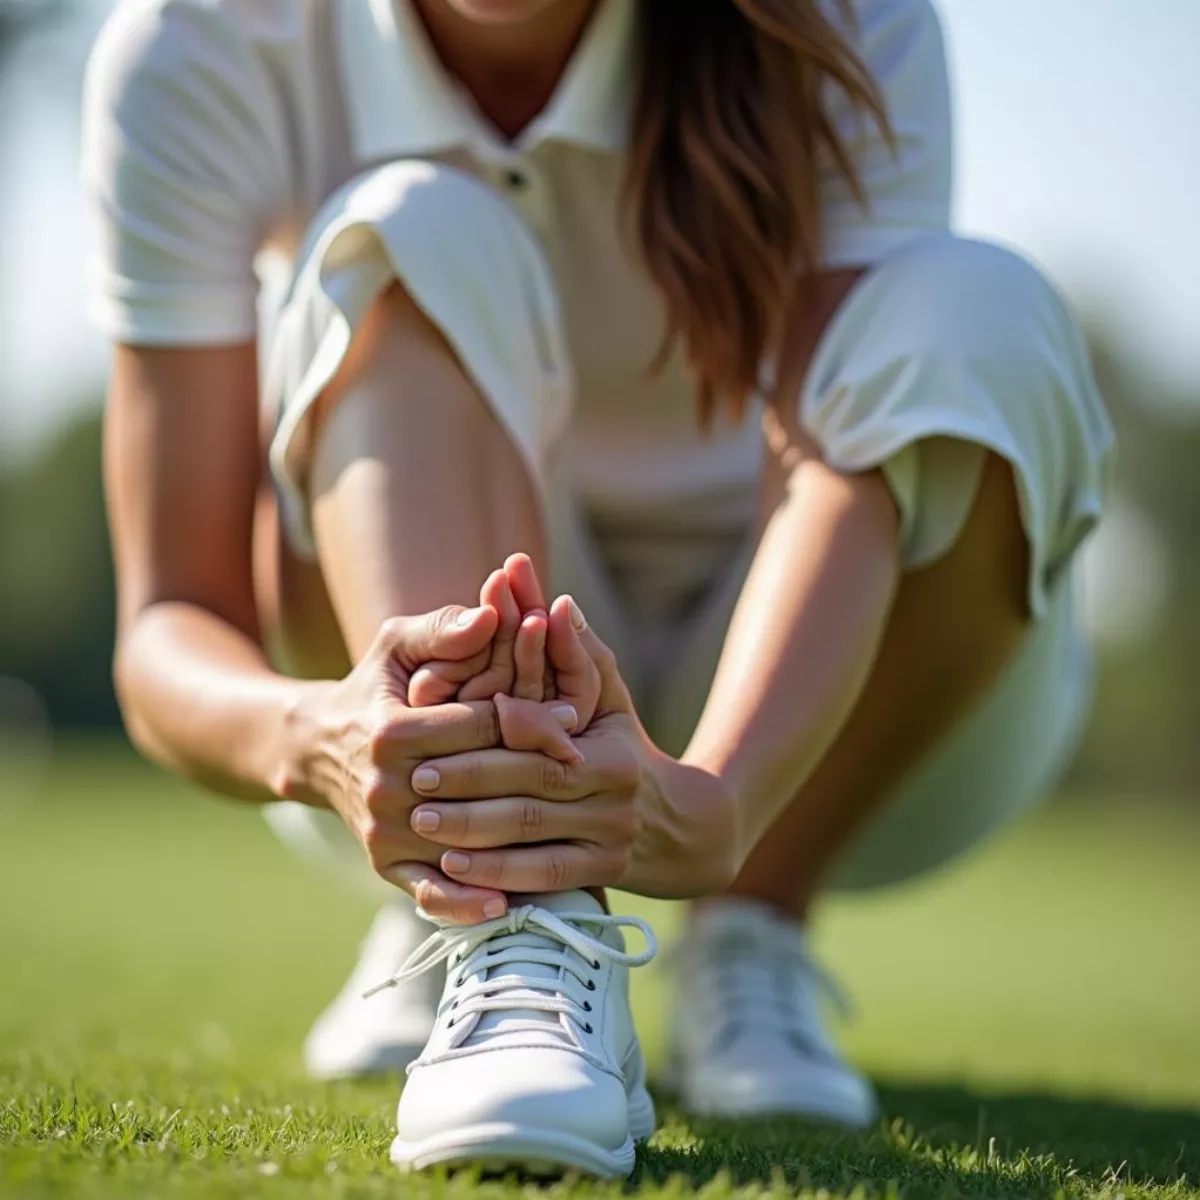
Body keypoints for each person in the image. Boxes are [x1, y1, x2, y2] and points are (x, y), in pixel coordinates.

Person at [84, 0, 1115, 1179]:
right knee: (408, 228)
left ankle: (753, 923)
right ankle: (503, 925)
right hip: (383, 698)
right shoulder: (195, 40)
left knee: (979, 308)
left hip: (824, 708)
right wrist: (322, 732)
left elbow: (853, 454)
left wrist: (716, 807)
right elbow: (168, 624)